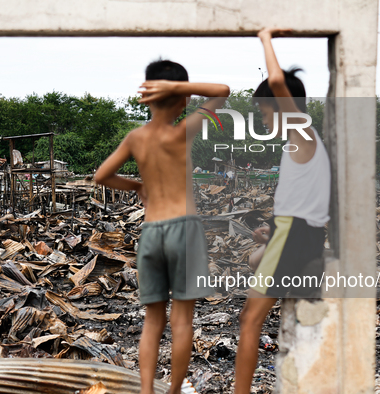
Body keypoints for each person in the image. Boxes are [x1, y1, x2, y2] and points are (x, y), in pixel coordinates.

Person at [94, 59, 230, 394]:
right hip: (184, 228)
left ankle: (145, 391)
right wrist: (180, 88)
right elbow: (222, 92)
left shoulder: (135, 138)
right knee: (183, 321)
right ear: (181, 99)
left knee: (152, 321)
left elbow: (102, 175)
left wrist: (136, 186)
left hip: (152, 232)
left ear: (149, 96)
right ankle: (172, 391)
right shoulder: (183, 131)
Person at [233, 28, 331, 394]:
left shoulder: (301, 129)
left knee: (249, 320)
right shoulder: (301, 141)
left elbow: (276, 81)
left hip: (294, 235)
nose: (260, 116)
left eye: (262, 108)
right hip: (296, 234)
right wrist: (271, 233)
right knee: (253, 259)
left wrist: (265, 37)